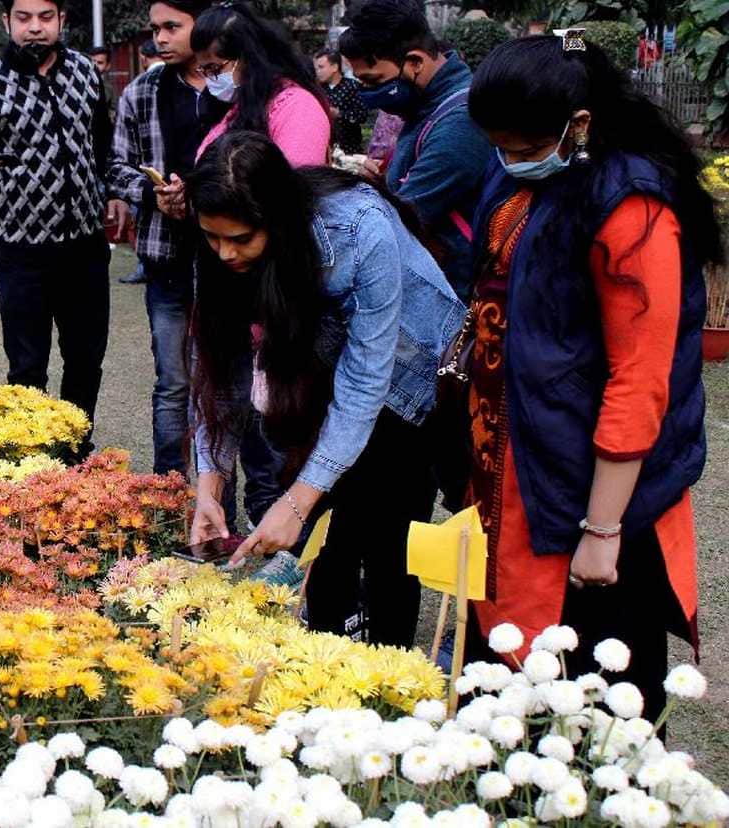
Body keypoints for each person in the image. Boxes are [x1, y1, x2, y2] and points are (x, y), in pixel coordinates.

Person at [459, 34, 717, 719]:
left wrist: (603, 530)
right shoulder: (519, 179)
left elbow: (641, 375)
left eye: (522, 145)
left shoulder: (633, 207)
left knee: (591, 688)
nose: (509, 159)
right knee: (505, 682)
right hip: (513, 465)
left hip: (593, 491)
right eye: (499, 146)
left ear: (578, 123)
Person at [188, 131, 464, 646]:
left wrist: (295, 503)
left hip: (407, 381)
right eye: (212, 237)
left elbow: (364, 384)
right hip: (326, 378)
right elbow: (219, 371)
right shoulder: (222, 244)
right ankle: (325, 660)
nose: (225, 253)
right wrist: (210, 486)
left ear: (278, 218)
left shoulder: (359, 231)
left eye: (241, 239)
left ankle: (387, 674)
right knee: (328, 544)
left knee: (386, 543)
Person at [0, 0, 113, 449]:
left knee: (85, 359)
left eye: (44, 18)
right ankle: (35, 459)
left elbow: (103, 152)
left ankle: (76, 451)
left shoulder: (85, 74)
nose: (34, 29)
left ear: (61, 20)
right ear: (7, 22)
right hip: (20, 252)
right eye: (24, 19)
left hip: (85, 248)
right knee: (27, 366)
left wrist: (120, 192)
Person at [106, 0, 234, 480]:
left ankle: (224, 498)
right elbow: (115, 168)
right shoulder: (141, 91)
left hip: (231, 261)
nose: (160, 37)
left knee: (228, 385)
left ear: (201, 26)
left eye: (171, 27)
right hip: (166, 256)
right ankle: (169, 495)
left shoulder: (234, 89)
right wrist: (152, 193)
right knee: (173, 382)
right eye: (155, 28)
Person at [339, 0, 491, 299]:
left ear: (415, 62)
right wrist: (383, 183)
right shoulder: (425, 106)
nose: (369, 94)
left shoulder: (460, 122)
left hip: (453, 296)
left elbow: (404, 218)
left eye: (374, 81)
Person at [188, 2, 331, 168]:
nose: (210, 79)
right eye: (204, 70)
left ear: (248, 59)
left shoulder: (297, 107)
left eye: (214, 68)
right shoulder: (240, 107)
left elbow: (298, 187)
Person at [314, 49, 366, 155]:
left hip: (350, 148)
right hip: (324, 148)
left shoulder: (353, 86)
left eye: (321, 67)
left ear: (335, 67)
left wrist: (339, 114)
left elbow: (362, 115)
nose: (317, 71)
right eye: (316, 68)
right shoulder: (317, 89)